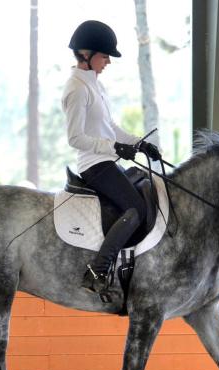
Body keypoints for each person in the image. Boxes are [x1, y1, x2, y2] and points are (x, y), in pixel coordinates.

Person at [63, 20, 162, 301]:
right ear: (86, 53)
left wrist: (138, 143)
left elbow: (110, 127)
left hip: (108, 159)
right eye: (104, 55)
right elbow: (75, 138)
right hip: (94, 165)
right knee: (135, 208)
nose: (107, 61)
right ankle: (98, 270)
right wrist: (114, 147)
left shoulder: (95, 85)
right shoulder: (77, 89)